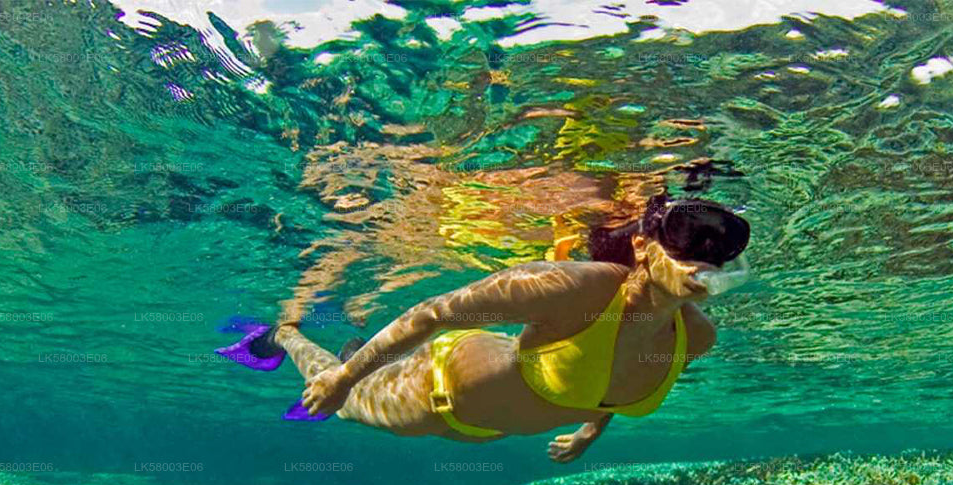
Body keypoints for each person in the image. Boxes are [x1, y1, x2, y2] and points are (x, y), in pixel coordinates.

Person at [215, 194, 751, 463]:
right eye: (685, 245)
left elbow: (613, 385)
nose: (702, 264)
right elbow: (436, 311)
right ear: (642, 245)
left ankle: (353, 353)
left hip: (486, 427)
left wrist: (589, 433)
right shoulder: (580, 287)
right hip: (433, 394)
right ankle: (285, 334)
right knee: (347, 407)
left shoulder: (696, 336)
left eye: (718, 255)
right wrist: (344, 380)